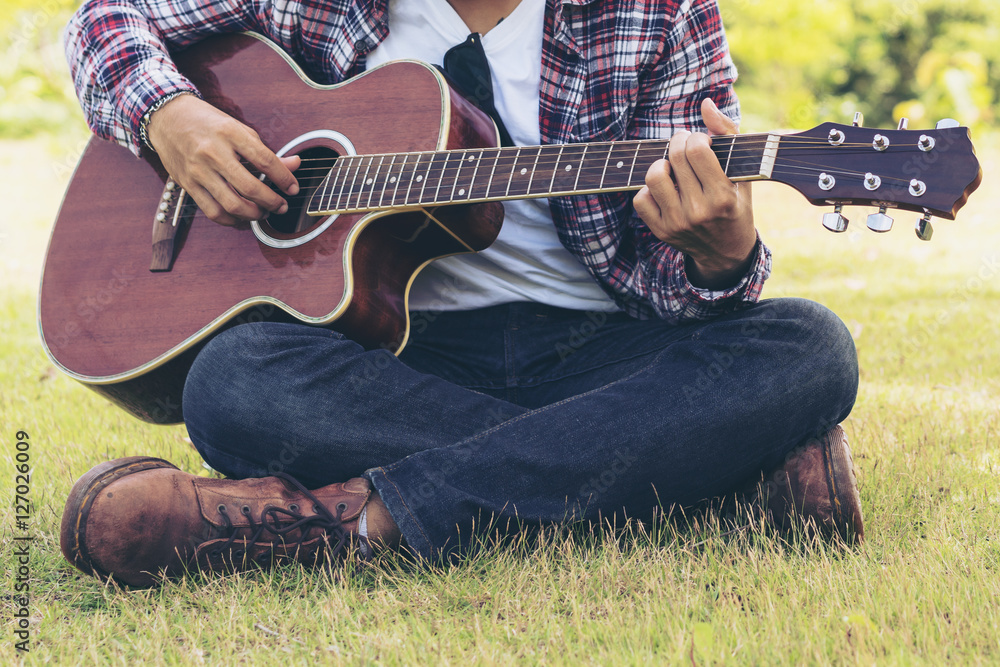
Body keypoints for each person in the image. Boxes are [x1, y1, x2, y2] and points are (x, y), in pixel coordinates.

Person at [59, 0, 863, 588]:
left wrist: (719, 256)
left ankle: (355, 524)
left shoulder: (658, 11)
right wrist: (170, 114)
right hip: (393, 361)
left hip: (596, 355)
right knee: (233, 380)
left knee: (808, 347)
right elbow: (105, 20)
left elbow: (673, 290)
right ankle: (712, 487)